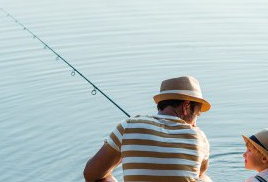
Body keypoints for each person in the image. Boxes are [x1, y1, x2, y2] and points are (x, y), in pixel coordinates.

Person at [84, 76, 212, 182]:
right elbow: (198, 175)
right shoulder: (200, 139)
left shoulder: (128, 126)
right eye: (197, 115)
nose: (195, 123)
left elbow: (91, 175)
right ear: (186, 106)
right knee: (205, 179)